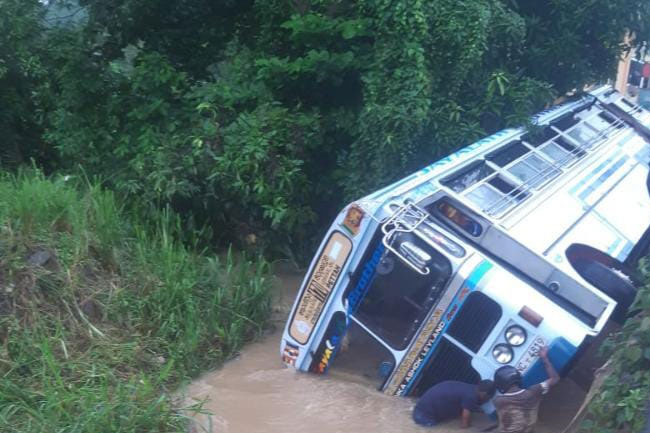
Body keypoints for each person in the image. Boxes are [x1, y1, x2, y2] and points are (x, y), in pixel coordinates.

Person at [493, 346, 560, 433]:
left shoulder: (498, 401)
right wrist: (544, 358)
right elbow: (555, 378)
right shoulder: (534, 392)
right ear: (518, 378)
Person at [412, 379, 496, 428]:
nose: (487, 401)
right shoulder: (471, 397)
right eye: (488, 398)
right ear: (484, 394)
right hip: (424, 417)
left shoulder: (470, 389)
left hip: (420, 409)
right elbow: (464, 423)